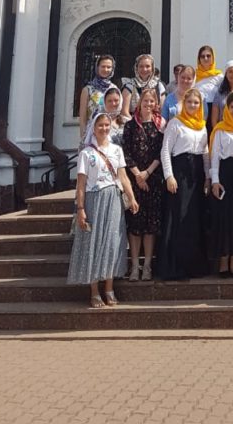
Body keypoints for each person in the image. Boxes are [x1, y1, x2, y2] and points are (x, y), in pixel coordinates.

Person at [67, 111, 139, 308]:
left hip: (114, 199)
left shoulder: (116, 150)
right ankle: (94, 291)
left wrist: (131, 198)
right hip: (94, 199)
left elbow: (123, 176)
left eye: (107, 125)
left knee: (112, 242)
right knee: (94, 242)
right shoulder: (86, 153)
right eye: (100, 125)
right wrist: (80, 208)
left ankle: (109, 288)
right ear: (94, 127)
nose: (104, 129)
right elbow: (81, 184)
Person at [157, 88, 210, 281]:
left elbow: (205, 153)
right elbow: (165, 151)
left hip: (196, 175)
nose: (193, 106)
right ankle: (174, 266)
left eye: (196, 103)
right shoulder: (175, 123)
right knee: (177, 216)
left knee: (193, 218)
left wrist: (207, 177)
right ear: (184, 104)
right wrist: (169, 176)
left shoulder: (202, 126)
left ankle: (193, 265)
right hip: (179, 173)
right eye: (190, 103)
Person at [122, 88, 164, 281]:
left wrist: (147, 173)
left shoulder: (160, 125)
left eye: (151, 102)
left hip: (153, 180)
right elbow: (126, 152)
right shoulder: (131, 126)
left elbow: (161, 153)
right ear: (139, 103)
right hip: (134, 181)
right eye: (145, 101)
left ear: (156, 103)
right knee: (135, 224)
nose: (148, 105)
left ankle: (147, 265)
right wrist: (138, 175)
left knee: (150, 225)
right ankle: (135, 266)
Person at [209, 91, 233, 278]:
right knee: (226, 220)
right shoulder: (220, 129)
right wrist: (215, 181)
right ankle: (224, 262)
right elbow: (215, 156)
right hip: (225, 175)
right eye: (232, 107)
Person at [78, 54, 116, 141]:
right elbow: (83, 117)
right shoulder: (88, 89)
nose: (106, 69)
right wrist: (83, 137)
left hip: (110, 134)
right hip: (92, 134)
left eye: (109, 67)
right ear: (97, 67)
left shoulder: (114, 89)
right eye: (103, 66)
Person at [195, 45, 224, 115]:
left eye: (208, 56)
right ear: (199, 59)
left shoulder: (219, 76)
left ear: (213, 58)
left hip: (215, 110)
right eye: (202, 56)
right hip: (197, 109)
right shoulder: (194, 75)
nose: (205, 58)